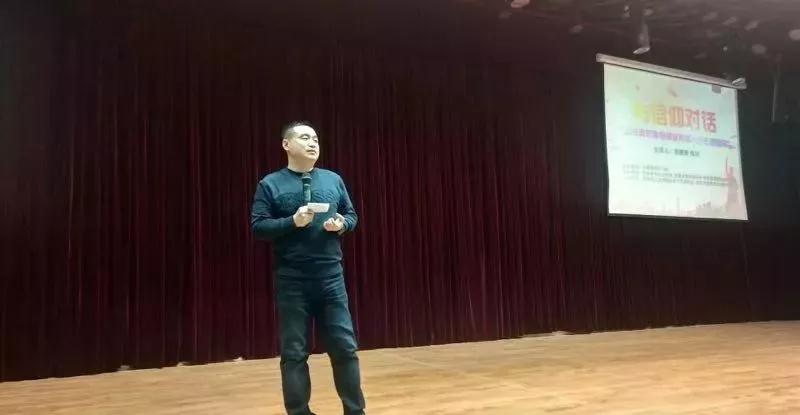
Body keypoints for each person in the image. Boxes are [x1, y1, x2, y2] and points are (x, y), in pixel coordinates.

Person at [250, 121, 366, 415]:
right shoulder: (270, 184)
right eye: (305, 137)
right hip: (292, 281)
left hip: (331, 278)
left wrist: (341, 224)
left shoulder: (333, 180)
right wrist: (292, 221)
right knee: (294, 353)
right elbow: (258, 226)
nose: (313, 142)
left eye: (315, 138)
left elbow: (351, 215)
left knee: (345, 348)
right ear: (286, 145)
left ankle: (355, 411)